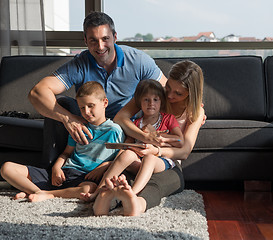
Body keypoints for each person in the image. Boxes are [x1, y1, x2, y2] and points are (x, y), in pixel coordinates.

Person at [25, 11, 185, 210]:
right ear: (85, 41)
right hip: (92, 134)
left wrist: (194, 109)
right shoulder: (80, 63)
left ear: (115, 37)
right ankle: (54, 176)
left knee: (142, 172)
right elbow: (37, 92)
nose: (100, 47)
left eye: (105, 39)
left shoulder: (138, 61)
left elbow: (167, 94)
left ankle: (107, 193)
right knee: (62, 104)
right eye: (93, 41)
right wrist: (69, 118)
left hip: (126, 134)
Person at [92, 60, 205, 216]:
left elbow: (184, 151)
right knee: (123, 181)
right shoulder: (155, 94)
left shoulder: (195, 112)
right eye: (169, 87)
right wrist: (145, 137)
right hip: (139, 157)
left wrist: (157, 150)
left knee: (154, 186)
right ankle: (103, 199)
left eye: (178, 93)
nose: (170, 95)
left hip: (168, 164)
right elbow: (121, 118)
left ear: (191, 93)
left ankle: (136, 203)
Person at [0, 81, 125, 201]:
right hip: (63, 173)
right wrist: (56, 168)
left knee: (89, 189)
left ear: (105, 103)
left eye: (91, 106)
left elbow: (120, 160)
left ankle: (41, 193)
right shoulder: (78, 127)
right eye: (82, 108)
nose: (86, 112)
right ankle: (38, 192)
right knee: (7, 168)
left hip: (83, 178)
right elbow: (66, 153)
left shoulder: (115, 131)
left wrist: (105, 166)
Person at [82, 79, 184, 203]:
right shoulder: (135, 123)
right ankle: (97, 192)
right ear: (139, 103)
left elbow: (180, 140)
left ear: (161, 102)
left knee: (150, 158)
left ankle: (133, 193)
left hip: (160, 161)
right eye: (146, 100)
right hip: (138, 162)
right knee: (127, 154)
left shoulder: (168, 119)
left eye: (155, 100)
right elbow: (126, 146)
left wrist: (161, 140)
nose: (151, 103)